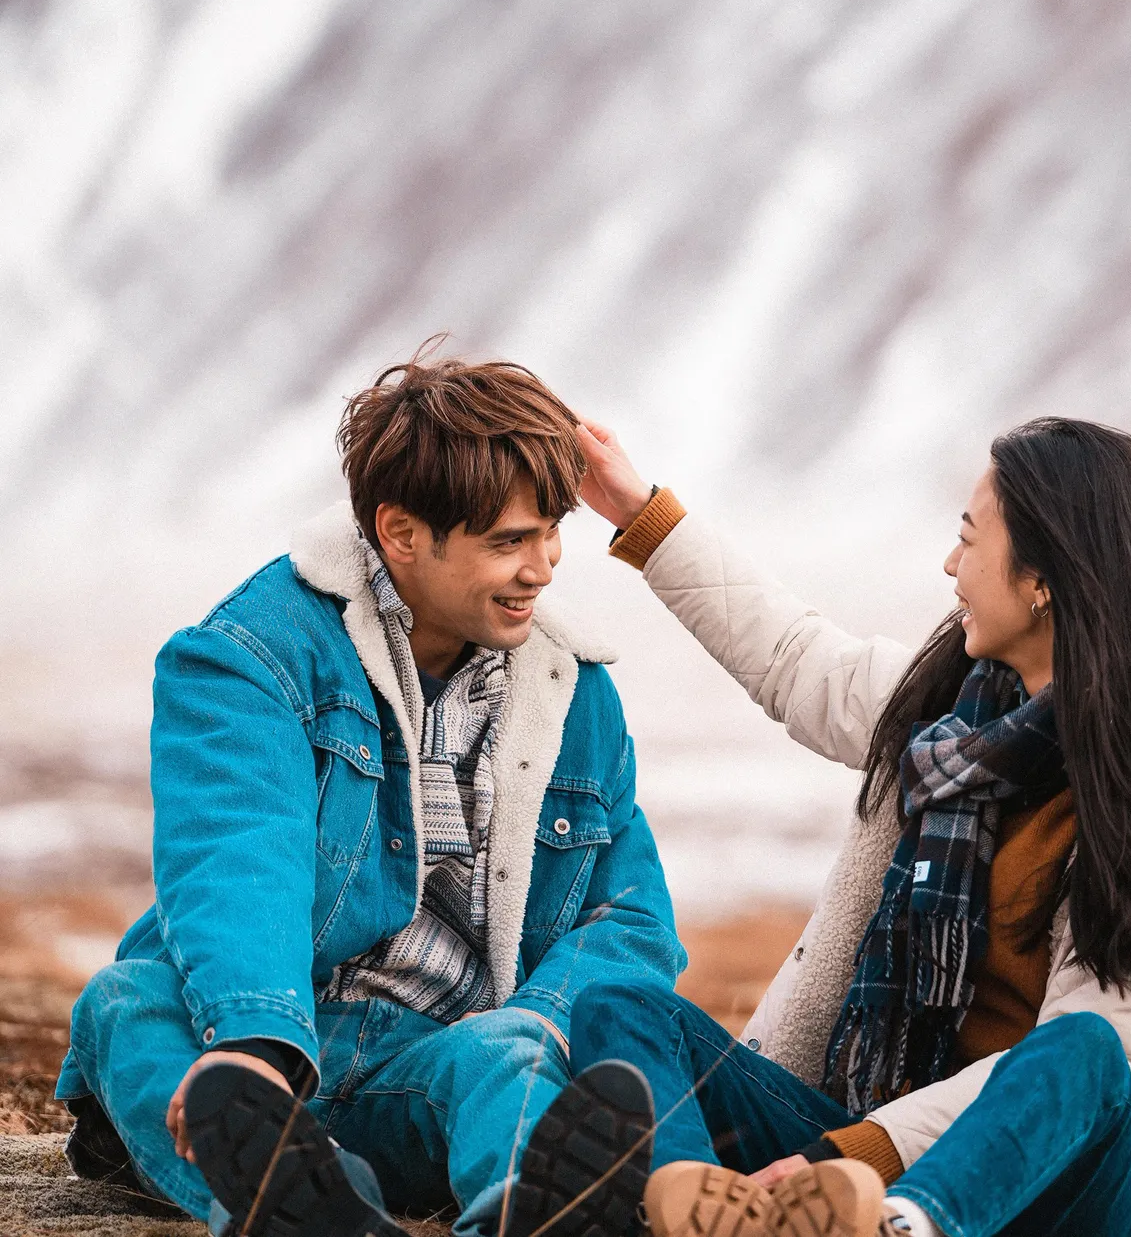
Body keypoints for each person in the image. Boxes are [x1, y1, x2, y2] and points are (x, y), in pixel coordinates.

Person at [569, 416, 1131, 1237]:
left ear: (1042, 577)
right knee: (624, 1006)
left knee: (1083, 1049)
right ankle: (700, 1212)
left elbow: (1110, 1049)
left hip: (1084, 1187)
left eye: (968, 539)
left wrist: (861, 1155)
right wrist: (642, 514)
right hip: (881, 1150)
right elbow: (797, 659)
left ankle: (899, 1226)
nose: (950, 564)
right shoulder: (956, 715)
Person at [57, 349, 684, 1237]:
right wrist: (255, 1040)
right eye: (509, 541)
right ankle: (301, 1193)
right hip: (264, 1045)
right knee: (128, 1002)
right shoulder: (251, 654)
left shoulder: (574, 694)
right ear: (400, 532)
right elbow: (238, 851)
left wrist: (542, 1027)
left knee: (506, 1053)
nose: (543, 566)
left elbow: (631, 917)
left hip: (432, 1063)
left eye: (552, 532)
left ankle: (534, 1210)